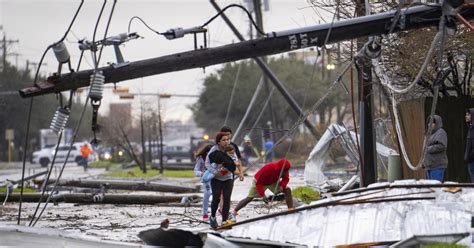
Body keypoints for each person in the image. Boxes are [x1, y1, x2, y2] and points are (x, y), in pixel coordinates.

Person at [205, 132, 238, 229]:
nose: (226, 141)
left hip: (228, 178)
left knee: (227, 199)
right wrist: (215, 172)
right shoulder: (214, 150)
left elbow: (234, 161)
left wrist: (232, 167)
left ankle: (224, 221)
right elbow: (207, 164)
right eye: (224, 140)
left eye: (227, 139)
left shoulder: (230, 149)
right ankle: (213, 217)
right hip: (216, 178)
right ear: (218, 142)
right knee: (216, 198)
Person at [423, 115, 448, 182]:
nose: (430, 124)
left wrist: (429, 149)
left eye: (432, 122)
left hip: (437, 165)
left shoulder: (440, 132)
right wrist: (424, 162)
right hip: (429, 166)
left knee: (436, 187)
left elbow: (442, 146)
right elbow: (424, 150)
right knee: (430, 188)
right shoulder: (428, 134)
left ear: (437, 123)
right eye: (428, 123)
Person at [193, 144, 213, 219]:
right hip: (206, 179)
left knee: (216, 195)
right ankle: (205, 213)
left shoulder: (216, 157)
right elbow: (196, 171)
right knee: (207, 193)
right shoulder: (200, 158)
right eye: (208, 153)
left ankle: (217, 211)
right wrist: (202, 173)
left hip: (216, 178)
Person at [465, 109, 474, 182]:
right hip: (470, 161)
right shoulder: (470, 128)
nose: (466, 116)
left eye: (468, 115)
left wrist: (470, 156)